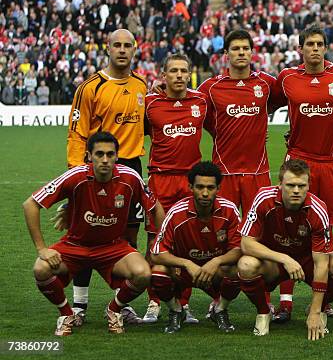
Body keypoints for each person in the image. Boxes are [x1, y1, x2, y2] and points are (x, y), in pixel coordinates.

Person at [24, 132, 164, 336]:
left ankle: (114, 310)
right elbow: (30, 204)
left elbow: (156, 208)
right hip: (75, 246)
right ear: (89, 155)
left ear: (117, 156)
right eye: (99, 154)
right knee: (41, 268)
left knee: (143, 273)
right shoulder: (76, 176)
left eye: (110, 154)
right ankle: (66, 313)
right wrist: (42, 249)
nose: (105, 160)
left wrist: (159, 244)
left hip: (114, 247)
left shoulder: (130, 177)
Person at [63, 29, 148, 323]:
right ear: (107, 48)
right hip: (95, 169)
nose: (122, 50)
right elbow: (77, 133)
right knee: (87, 235)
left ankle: (121, 303)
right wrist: (77, 173)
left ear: (134, 49)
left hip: (131, 168)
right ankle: (79, 306)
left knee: (129, 236)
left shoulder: (141, 85)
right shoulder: (90, 87)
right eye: (117, 45)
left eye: (128, 45)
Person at [271, 24, 333, 321]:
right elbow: (270, 103)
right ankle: (286, 302)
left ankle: (324, 299)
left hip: (331, 162)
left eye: (320, 44)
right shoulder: (287, 78)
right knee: (288, 231)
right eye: (310, 44)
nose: (315, 48)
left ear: (325, 47)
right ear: (301, 49)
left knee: (324, 232)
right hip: (299, 161)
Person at [237, 159, 333, 340]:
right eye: (290, 185)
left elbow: (321, 264)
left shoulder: (318, 209)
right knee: (245, 265)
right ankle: (263, 312)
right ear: (279, 185)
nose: (296, 190)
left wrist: (316, 311)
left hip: (307, 259)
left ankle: (320, 308)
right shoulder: (263, 198)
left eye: (301, 185)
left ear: (309, 186)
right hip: (274, 262)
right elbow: (246, 243)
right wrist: (284, 258)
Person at [142, 53, 208, 323]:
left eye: (184, 70)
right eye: (174, 71)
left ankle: (184, 303)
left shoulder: (200, 102)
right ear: (164, 75)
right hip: (160, 180)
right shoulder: (149, 103)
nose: (179, 75)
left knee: (185, 244)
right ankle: (154, 301)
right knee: (154, 242)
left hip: (189, 182)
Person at [150, 161, 242, 334]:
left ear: (218, 188)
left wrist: (217, 261)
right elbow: (156, 253)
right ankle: (176, 311)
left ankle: (220, 309)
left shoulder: (229, 210)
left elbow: (239, 249)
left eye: (210, 187)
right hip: (183, 272)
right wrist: (185, 263)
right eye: (200, 187)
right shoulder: (177, 213)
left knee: (240, 269)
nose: (205, 193)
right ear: (190, 187)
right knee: (158, 271)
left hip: (215, 272)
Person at [198, 29, 276, 213]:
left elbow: (293, 101)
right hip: (224, 173)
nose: (241, 52)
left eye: (245, 48)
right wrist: (218, 132)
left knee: (259, 232)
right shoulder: (210, 87)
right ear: (226, 54)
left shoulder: (266, 83)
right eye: (235, 48)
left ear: (252, 52)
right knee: (222, 232)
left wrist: (260, 121)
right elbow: (191, 110)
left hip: (258, 173)